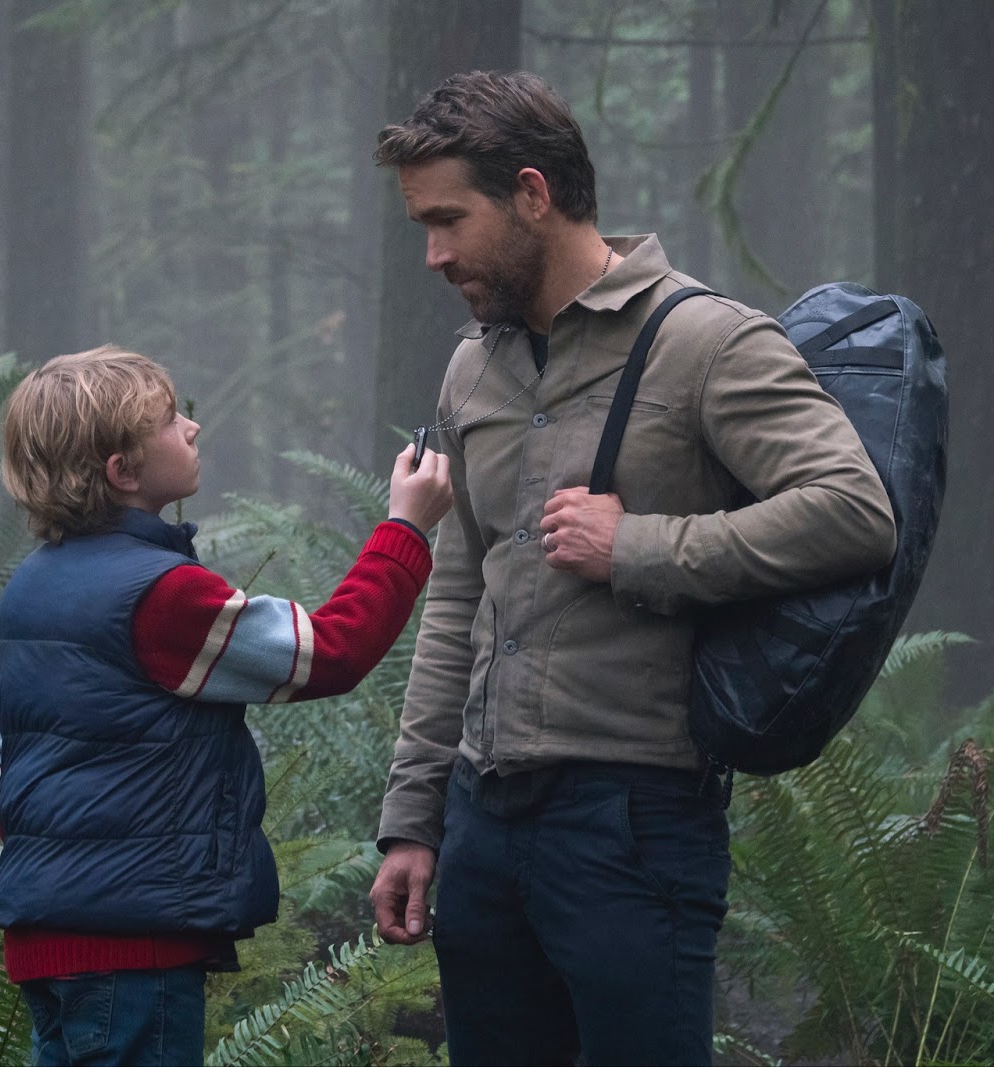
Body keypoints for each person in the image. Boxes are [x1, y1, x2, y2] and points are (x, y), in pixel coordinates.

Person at [367, 71, 896, 1066]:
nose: (433, 255)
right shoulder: (471, 366)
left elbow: (854, 509)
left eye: (448, 221)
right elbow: (459, 593)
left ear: (531, 194)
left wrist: (639, 546)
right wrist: (413, 819)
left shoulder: (707, 341)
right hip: (480, 820)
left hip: (633, 820)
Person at [0, 346, 451, 1066]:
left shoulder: (26, 592)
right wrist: (406, 528)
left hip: (47, 943)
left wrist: (68, 860)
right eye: (171, 420)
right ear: (123, 471)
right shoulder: (162, 595)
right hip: (134, 947)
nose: (193, 428)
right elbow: (331, 651)